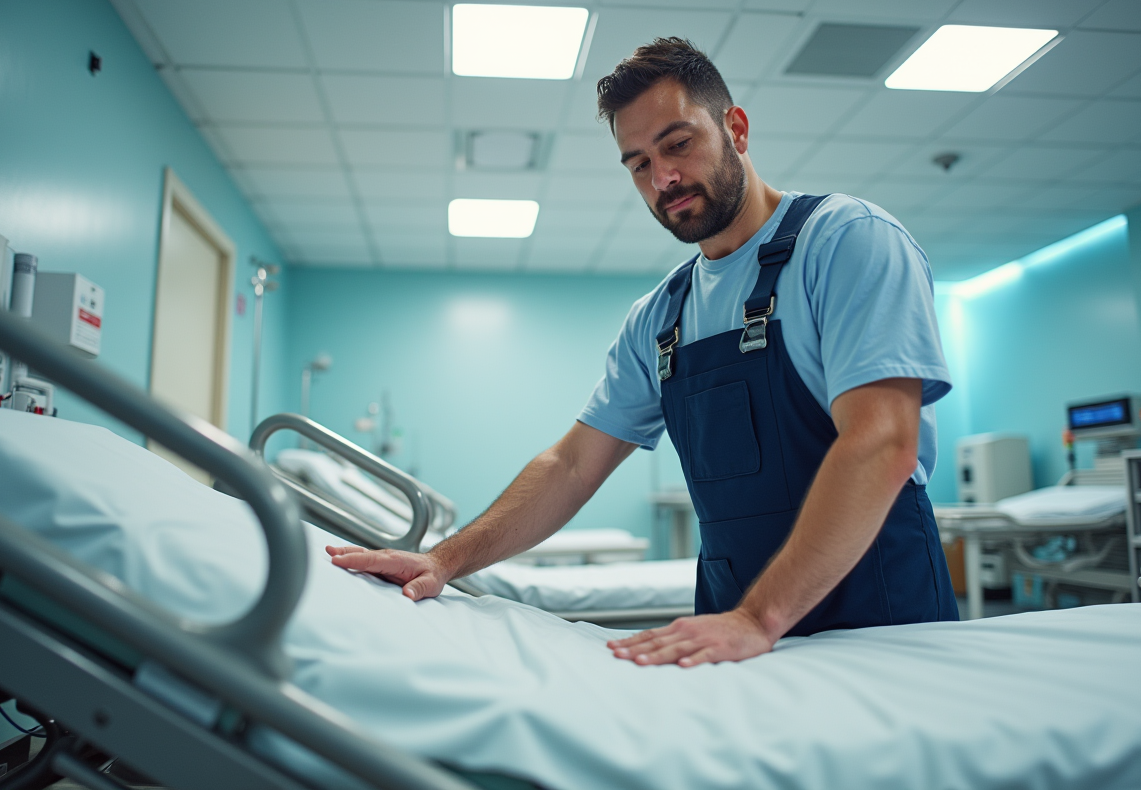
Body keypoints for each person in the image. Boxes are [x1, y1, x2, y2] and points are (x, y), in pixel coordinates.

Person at [327, 37, 959, 667]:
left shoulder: (846, 242)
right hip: (737, 636)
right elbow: (572, 465)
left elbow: (881, 443)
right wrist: (442, 560)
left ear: (736, 129)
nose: (663, 178)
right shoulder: (661, 317)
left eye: (678, 144)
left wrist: (758, 618)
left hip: (879, 622)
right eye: (638, 164)